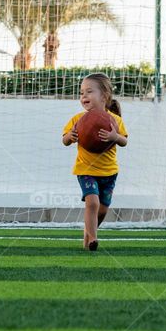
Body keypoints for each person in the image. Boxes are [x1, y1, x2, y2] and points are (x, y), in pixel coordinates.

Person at [61, 73, 128, 250]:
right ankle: (93, 239)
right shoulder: (77, 120)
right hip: (86, 170)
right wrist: (71, 136)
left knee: (103, 209)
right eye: (81, 92)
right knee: (92, 203)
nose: (84, 96)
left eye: (89, 91)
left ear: (104, 96)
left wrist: (115, 136)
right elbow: (65, 140)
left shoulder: (116, 121)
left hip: (109, 172)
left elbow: (124, 141)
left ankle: (87, 235)